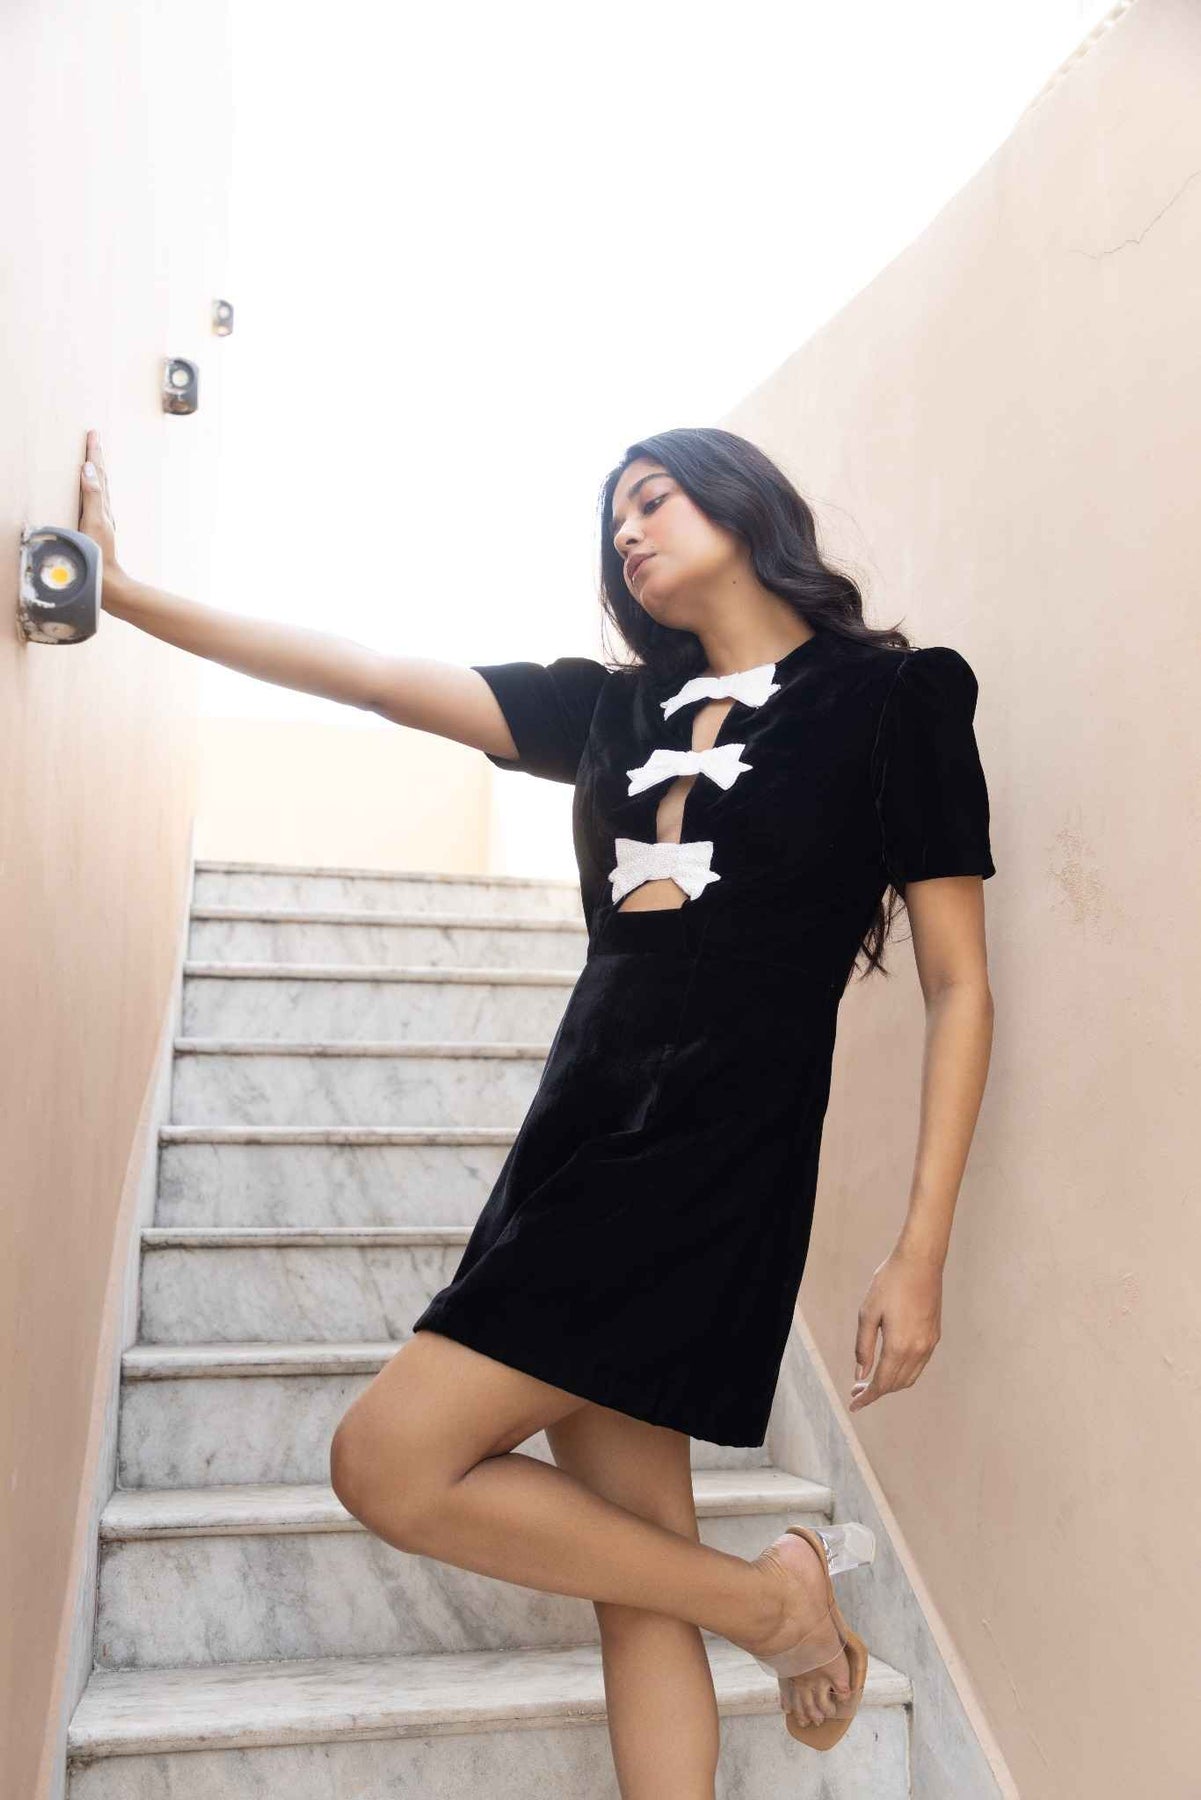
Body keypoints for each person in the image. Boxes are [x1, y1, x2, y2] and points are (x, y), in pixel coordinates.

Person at [78, 423, 996, 1793]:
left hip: (715, 1157)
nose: (627, 531)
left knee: (386, 1462)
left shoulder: (895, 698)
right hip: (572, 1141)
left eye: (653, 498)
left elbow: (958, 985)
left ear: (745, 504)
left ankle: (774, 1606)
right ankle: (768, 1601)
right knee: (634, 1574)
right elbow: (377, 677)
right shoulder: (611, 711)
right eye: (613, 519)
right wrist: (128, 595)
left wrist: (920, 1251)